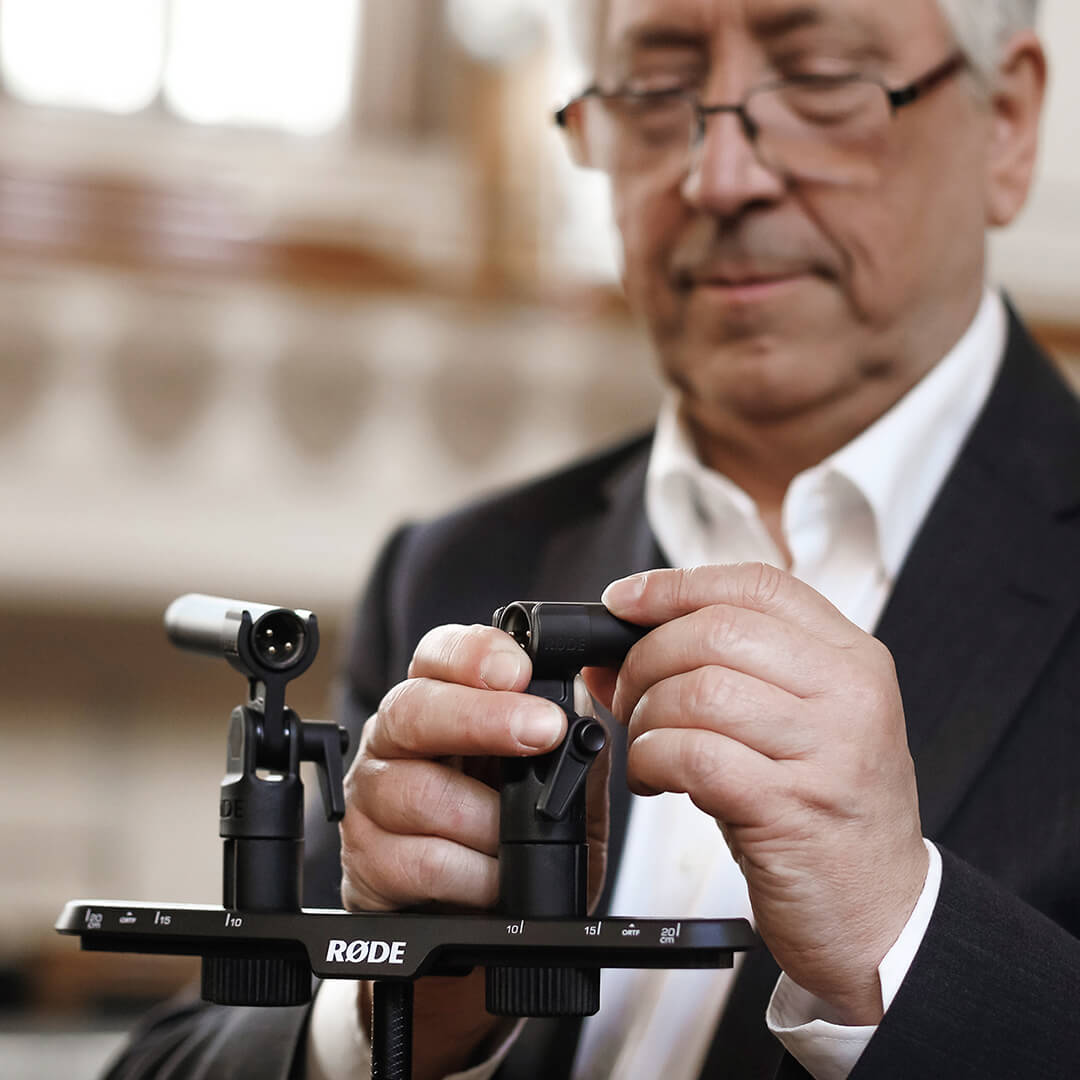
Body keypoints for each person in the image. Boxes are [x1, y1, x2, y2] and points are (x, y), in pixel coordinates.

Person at [106, 1, 1080, 1078]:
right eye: (655, 91)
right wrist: (395, 1012)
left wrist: (906, 945)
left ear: (1009, 125)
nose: (720, 177)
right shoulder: (455, 570)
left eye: (819, 80)